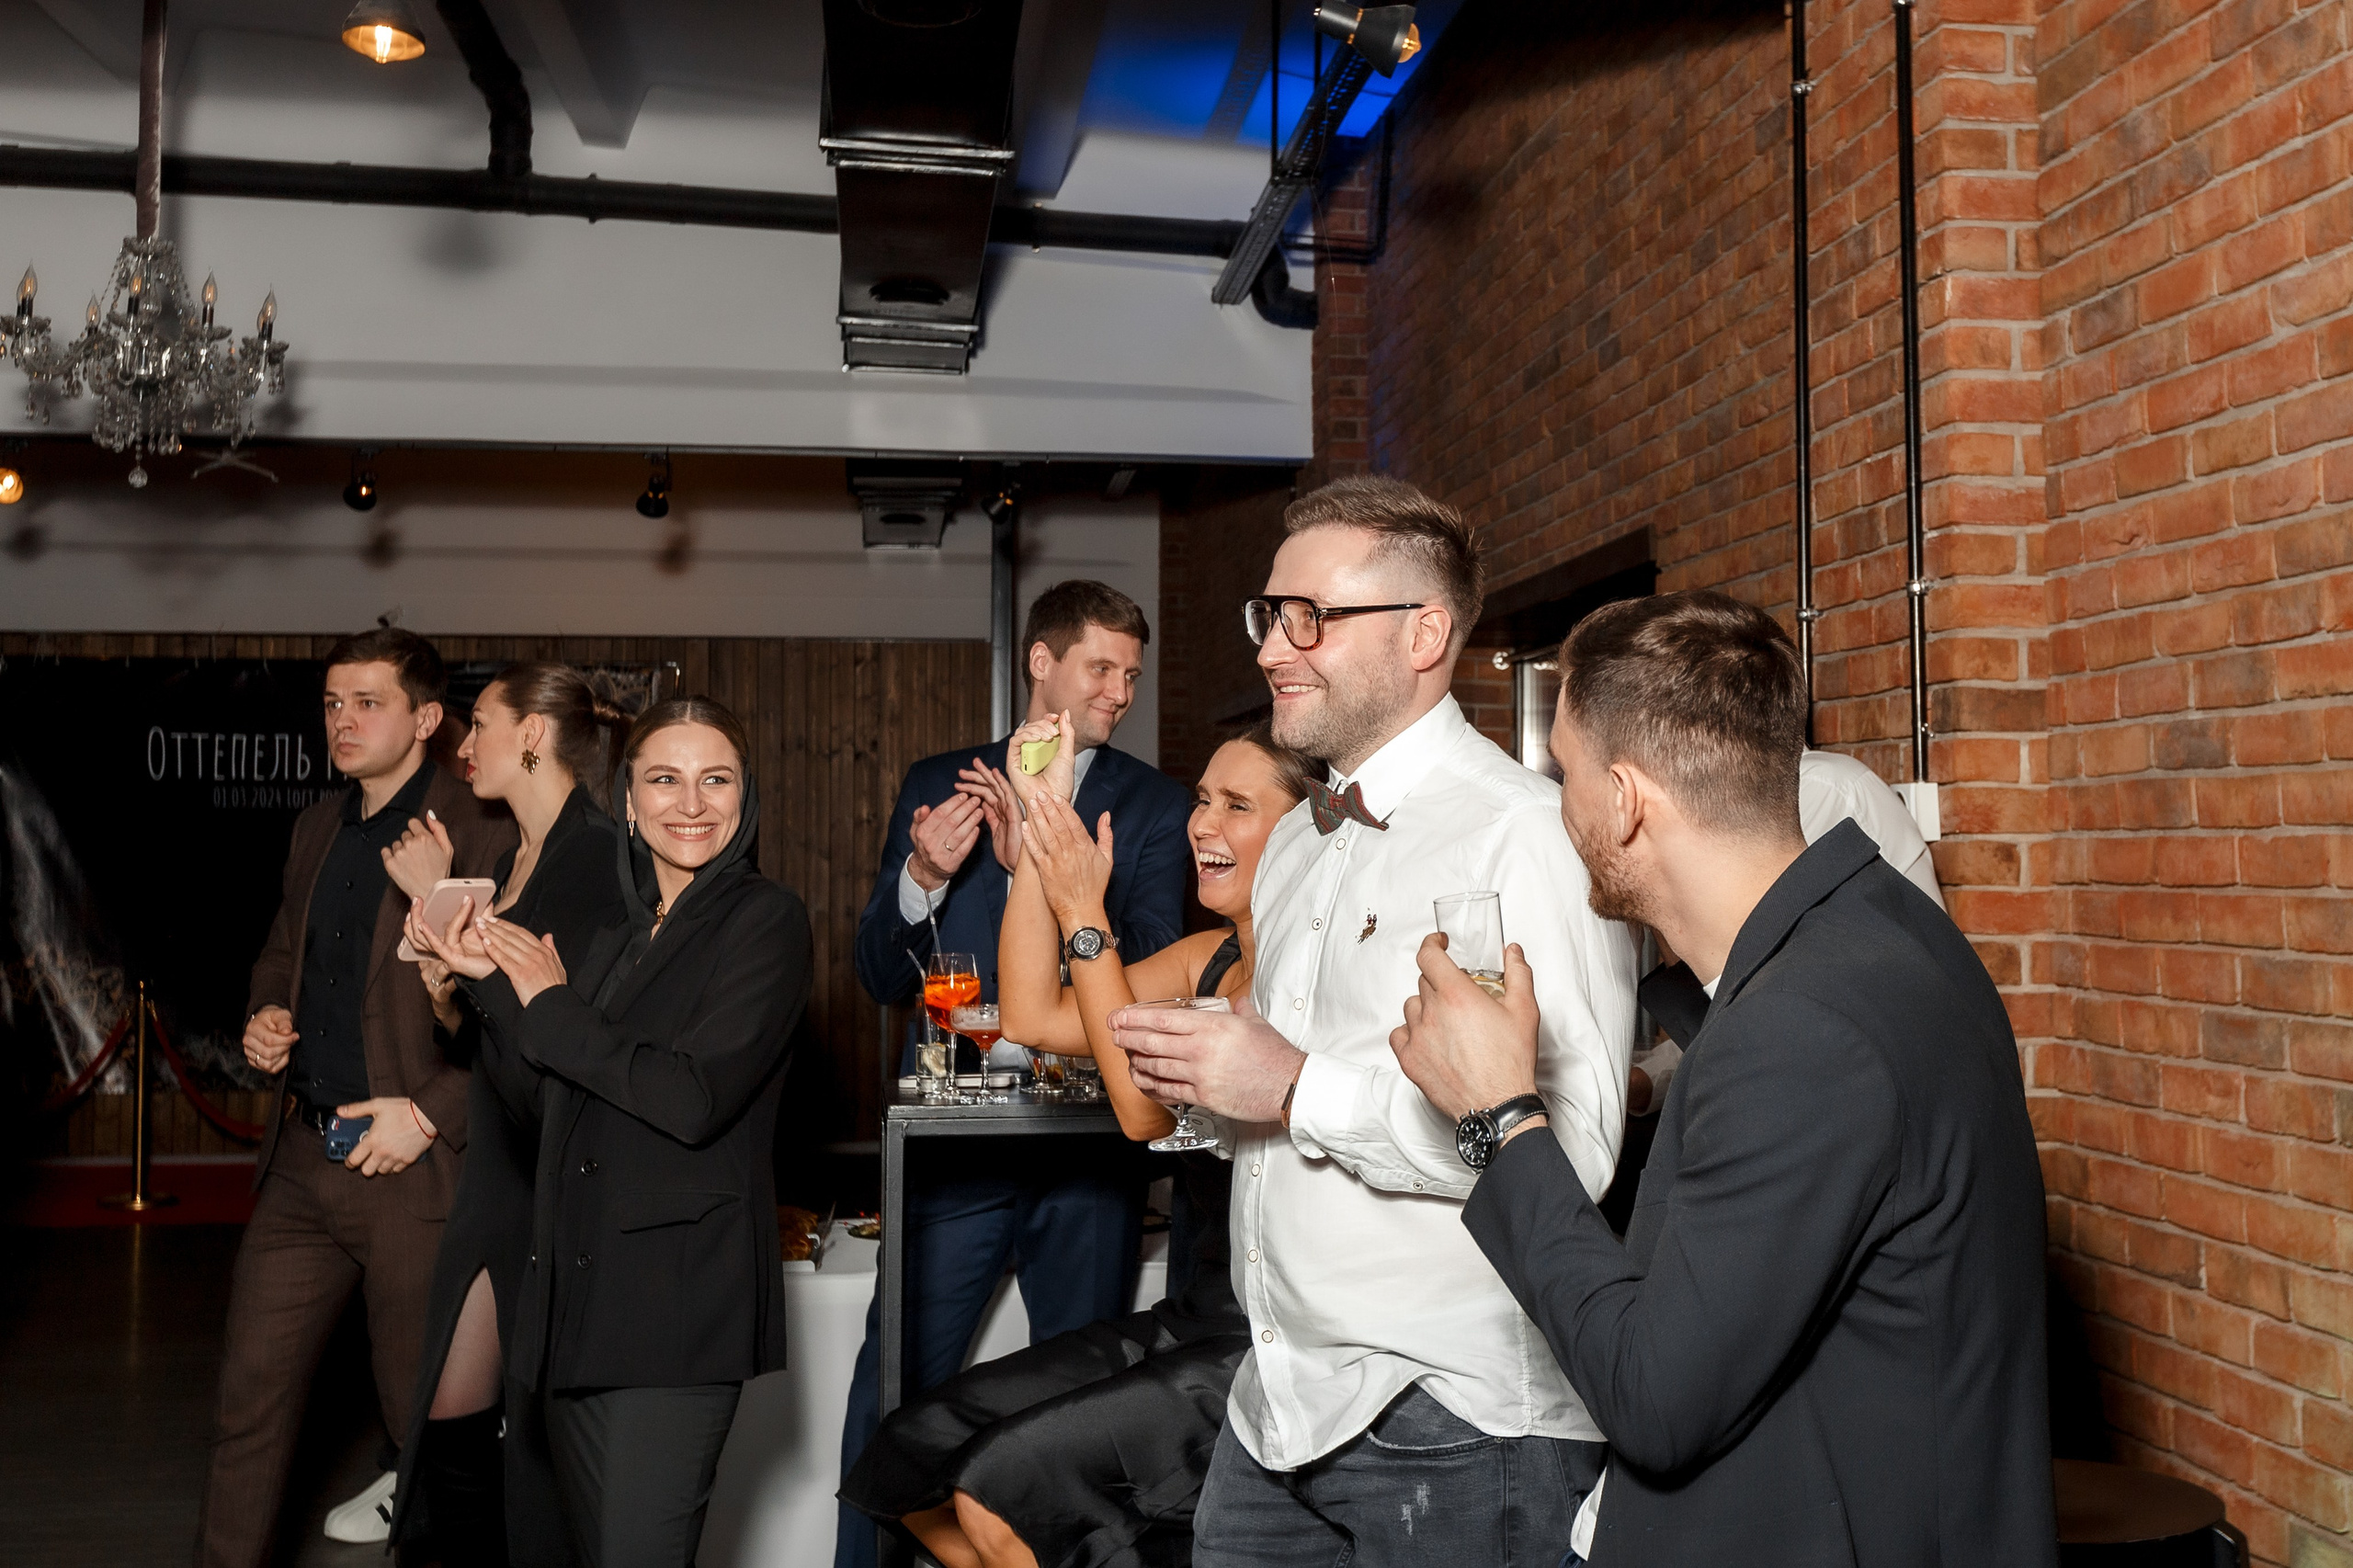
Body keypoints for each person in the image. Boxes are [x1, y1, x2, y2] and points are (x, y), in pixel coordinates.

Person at [1388, 590, 2055, 1567]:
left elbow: (1656, 1396)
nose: (1557, 803)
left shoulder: (1802, 1026)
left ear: (1623, 800)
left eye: (1563, 772)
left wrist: (1501, 1114)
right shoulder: (1881, 929)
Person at [1111, 475, 1639, 1568]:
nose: (1271, 648)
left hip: (1455, 1416)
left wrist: (1295, 1085)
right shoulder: (1301, 840)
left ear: (1425, 633)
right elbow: (1278, 1092)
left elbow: (1572, 1153)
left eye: (1312, 617)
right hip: (1279, 1404)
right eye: (1269, 614)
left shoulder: (1520, 836)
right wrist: (1205, 1078)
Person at [842, 718, 1316, 1568]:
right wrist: (1040, 825)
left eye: (1235, 805)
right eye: (1202, 800)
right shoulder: (1209, 956)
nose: (1200, 823)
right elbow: (1032, 1014)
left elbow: (1140, 1112)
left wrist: (1082, 910)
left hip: (1274, 1338)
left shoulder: (1308, 971)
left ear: (1304, 829)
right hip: (1197, 1310)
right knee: (910, 1448)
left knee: (1001, 1491)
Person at [838, 581, 1195, 1568]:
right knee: (893, 1386)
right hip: (950, 1153)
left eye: (1131, 672)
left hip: (1087, 1156)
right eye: (1101, 667)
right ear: (1040, 662)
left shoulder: (1156, 806)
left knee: (1083, 1414)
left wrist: (1044, 868)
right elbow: (875, 973)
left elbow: (1162, 972)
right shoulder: (935, 781)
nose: (1120, 690)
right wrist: (922, 881)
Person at [419, 696, 812, 1567]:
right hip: (576, 1311)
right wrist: (484, 982)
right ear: (628, 803)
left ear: (746, 799)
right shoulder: (619, 935)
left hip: (674, 1317)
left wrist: (550, 1003)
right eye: (663, 780)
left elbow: (691, 1099)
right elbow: (543, 1100)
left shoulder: (765, 921)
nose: (692, 803)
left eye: (717, 780)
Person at [196, 628, 516, 1568]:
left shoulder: (484, 828)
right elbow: (282, 955)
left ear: (425, 717)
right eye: (333, 702)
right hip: (303, 1159)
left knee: (427, 1427)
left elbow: (516, 1014)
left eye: (367, 701)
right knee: (244, 1405)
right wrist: (264, 1011)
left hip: (412, 1174)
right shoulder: (317, 823)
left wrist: (431, 1115)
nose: (343, 719)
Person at [385, 665, 629, 1568]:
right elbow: (482, 1034)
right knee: (455, 1421)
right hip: (498, 1160)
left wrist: (469, 967)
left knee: (532, 1442)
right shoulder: (509, 859)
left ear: (532, 732)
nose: (462, 742)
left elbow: (566, 1038)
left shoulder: (600, 853)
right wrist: (445, 982)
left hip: (548, 1171)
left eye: (479, 722)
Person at [1624, 744, 1945, 1119]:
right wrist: (1646, 1080)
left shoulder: (1812, 788)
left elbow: (1757, 1008)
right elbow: (1748, 1011)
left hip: (1889, 1092)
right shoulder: (1744, 801)